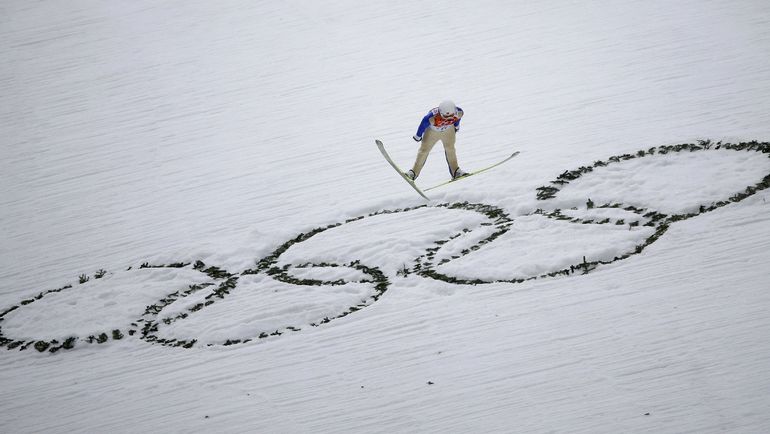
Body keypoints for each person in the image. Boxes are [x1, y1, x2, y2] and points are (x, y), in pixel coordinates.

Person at [405, 100, 468, 181]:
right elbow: (423, 124)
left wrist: (456, 126)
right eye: (445, 116)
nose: (448, 119)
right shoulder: (432, 117)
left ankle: (456, 171)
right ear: (440, 113)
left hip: (448, 130)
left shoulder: (459, 112)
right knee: (424, 151)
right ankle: (413, 173)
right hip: (432, 131)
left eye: (451, 116)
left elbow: (457, 119)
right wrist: (418, 135)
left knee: (450, 149)